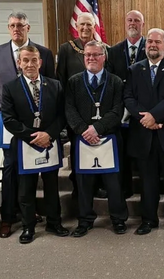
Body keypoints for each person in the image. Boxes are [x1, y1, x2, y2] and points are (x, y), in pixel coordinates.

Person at [0, 11, 55, 238]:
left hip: (39, 125)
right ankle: (8, 218)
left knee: (38, 169)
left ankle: (32, 215)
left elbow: (53, 90)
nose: (16, 29)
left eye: (21, 26)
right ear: (8, 28)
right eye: (13, 25)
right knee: (12, 170)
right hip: (7, 124)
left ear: (28, 28)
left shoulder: (43, 53)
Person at [123, 28, 164, 236]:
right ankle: (148, 220)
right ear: (145, 46)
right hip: (144, 134)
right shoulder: (134, 69)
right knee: (147, 182)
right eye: (150, 42)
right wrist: (146, 119)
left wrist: (154, 116)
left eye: (157, 42)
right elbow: (128, 98)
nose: (153, 45)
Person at [1, 45, 68, 244]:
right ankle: (28, 227)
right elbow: (9, 119)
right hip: (24, 145)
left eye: (33, 60)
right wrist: (33, 136)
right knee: (26, 190)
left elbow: (62, 115)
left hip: (50, 143)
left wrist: (48, 134)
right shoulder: (10, 87)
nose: (30, 64)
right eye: (25, 60)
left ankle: (54, 222)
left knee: (51, 186)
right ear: (19, 63)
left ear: (40, 62)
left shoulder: (55, 85)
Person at [65, 41, 129, 237]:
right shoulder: (74, 81)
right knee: (83, 183)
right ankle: (84, 220)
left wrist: (97, 128)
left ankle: (118, 219)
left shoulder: (116, 81)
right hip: (83, 139)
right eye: (87, 55)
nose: (91, 58)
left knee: (114, 182)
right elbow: (69, 110)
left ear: (104, 57)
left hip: (109, 138)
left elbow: (117, 111)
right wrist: (85, 130)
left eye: (95, 55)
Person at [56, 12, 103, 199]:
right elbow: (60, 81)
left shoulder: (103, 49)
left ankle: (97, 185)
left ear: (94, 27)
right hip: (75, 112)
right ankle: (78, 187)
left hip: (98, 111)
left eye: (89, 25)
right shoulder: (66, 49)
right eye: (82, 24)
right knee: (77, 150)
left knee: (98, 149)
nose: (85, 28)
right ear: (76, 26)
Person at [107, 10, 147, 199]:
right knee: (122, 153)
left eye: (137, 21)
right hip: (121, 110)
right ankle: (124, 189)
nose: (133, 23)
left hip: (144, 110)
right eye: (130, 20)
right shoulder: (114, 51)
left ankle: (146, 190)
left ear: (142, 25)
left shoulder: (152, 46)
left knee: (144, 154)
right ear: (125, 23)